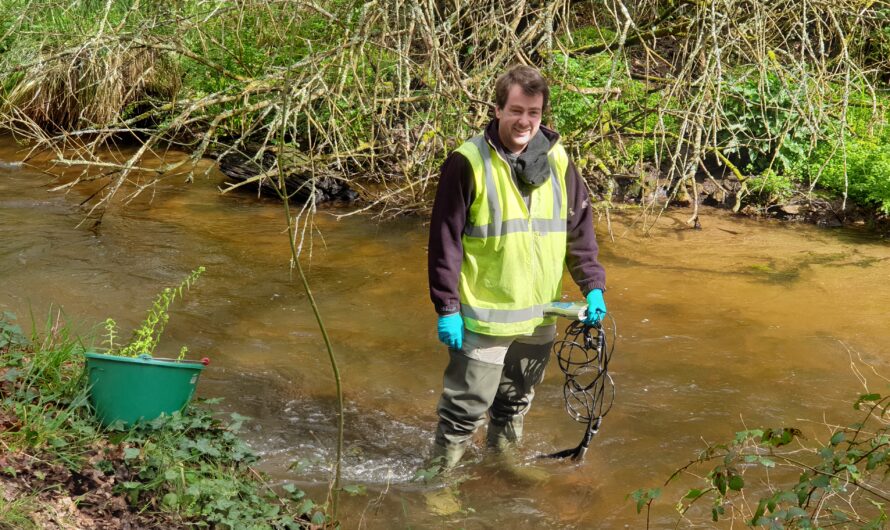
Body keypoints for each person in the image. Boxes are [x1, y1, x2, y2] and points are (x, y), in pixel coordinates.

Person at [427, 65, 608, 469]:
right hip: (483, 316)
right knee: (463, 412)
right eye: (516, 110)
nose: (524, 121)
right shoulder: (467, 162)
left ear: (542, 114)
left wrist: (592, 284)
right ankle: (438, 484)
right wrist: (447, 308)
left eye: (534, 112)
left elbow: (578, 228)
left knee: (514, 404)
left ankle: (504, 469)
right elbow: (444, 242)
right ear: (497, 110)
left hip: (539, 314)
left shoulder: (559, 160)